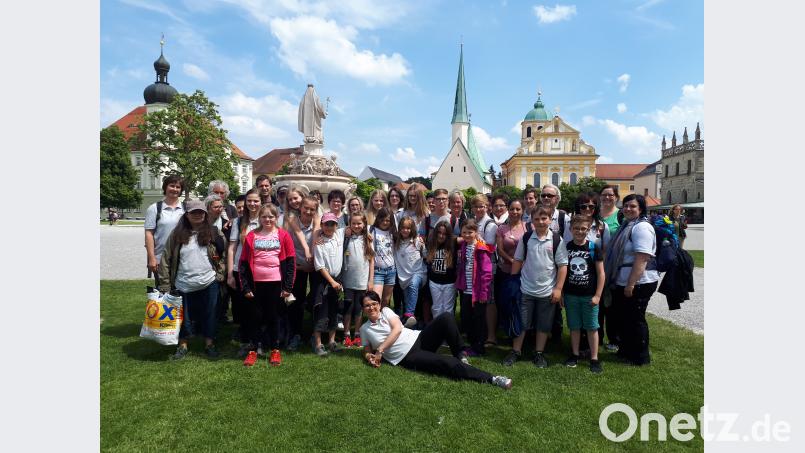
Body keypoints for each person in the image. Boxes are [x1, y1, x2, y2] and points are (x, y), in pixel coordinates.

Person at [359, 291, 513, 389]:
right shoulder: (364, 329)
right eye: (367, 306)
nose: (371, 308)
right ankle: (493, 379)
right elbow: (366, 350)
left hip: (418, 338)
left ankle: (460, 354)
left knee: (446, 317)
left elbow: (397, 329)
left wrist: (380, 350)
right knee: (447, 363)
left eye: (374, 304)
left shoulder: (386, 311)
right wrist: (369, 357)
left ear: (379, 304)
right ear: (363, 309)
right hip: (407, 356)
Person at [157, 200, 226, 360]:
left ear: (205, 214)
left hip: (209, 282)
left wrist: (220, 274)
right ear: (186, 215)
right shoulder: (176, 234)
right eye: (193, 212)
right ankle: (183, 345)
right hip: (183, 283)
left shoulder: (214, 232)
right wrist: (165, 284)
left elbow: (222, 254)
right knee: (183, 317)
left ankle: (209, 344)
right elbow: (166, 259)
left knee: (210, 315)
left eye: (200, 212)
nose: (197, 215)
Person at [502, 206, 568, 368]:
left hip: (547, 291)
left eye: (544, 218)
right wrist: (513, 283)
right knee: (522, 322)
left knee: (543, 324)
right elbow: (517, 260)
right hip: (525, 289)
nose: (540, 221)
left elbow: (562, 266)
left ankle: (539, 353)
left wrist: (558, 289)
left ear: (550, 220)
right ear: (531, 220)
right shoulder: (526, 238)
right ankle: (516, 351)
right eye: (537, 218)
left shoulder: (557, 240)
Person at [604, 194, 660, 366]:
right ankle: (626, 351)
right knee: (625, 318)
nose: (628, 209)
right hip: (623, 280)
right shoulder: (627, 226)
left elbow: (642, 258)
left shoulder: (641, 228)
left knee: (636, 319)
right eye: (626, 206)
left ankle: (640, 357)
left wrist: (631, 284)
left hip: (639, 281)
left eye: (633, 206)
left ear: (641, 209)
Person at [238, 203, 296, 366]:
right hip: (255, 284)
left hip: (276, 283)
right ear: (259, 218)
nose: (267, 219)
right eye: (264, 216)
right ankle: (253, 350)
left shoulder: (283, 235)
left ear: (276, 217)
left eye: (271, 216)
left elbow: (291, 262)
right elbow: (243, 263)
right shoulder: (251, 236)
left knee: (273, 317)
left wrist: (287, 287)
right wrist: (246, 287)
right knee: (254, 317)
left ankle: (275, 350)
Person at [561, 215, 605, 374]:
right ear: (571, 229)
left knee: (592, 327)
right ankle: (574, 354)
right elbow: (562, 272)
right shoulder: (565, 247)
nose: (580, 231)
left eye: (583, 229)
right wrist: (562, 293)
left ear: (588, 230)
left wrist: (598, 295)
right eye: (576, 228)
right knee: (574, 327)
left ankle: (594, 358)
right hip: (571, 295)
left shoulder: (594, 248)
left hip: (589, 296)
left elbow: (601, 274)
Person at [455, 219, 496, 356]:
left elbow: (486, 272)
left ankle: (479, 347)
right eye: (464, 232)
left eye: (470, 232)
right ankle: (472, 344)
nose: (467, 235)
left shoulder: (481, 248)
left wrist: (484, 293)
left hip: (478, 293)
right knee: (467, 318)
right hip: (466, 290)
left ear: (476, 233)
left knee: (479, 320)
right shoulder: (464, 246)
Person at [228, 189, 262, 353]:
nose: (252, 204)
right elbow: (232, 248)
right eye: (249, 201)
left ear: (261, 202)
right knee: (245, 308)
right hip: (241, 270)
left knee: (260, 307)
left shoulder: (266, 219)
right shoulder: (238, 221)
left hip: (261, 270)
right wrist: (230, 273)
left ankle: (260, 340)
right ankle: (248, 340)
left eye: (256, 201)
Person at [285, 195, 320, 351]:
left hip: (314, 265)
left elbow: (315, 237)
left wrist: (311, 259)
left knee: (316, 299)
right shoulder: (293, 219)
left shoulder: (317, 219)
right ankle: (295, 334)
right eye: (306, 208)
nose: (309, 211)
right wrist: (305, 256)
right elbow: (298, 237)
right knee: (296, 301)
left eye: (312, 209)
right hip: (298, 265)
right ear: (300, 207)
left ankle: (315, 334)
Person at [312, 212, 346, 356]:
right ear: (322, 225)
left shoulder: (339, 235)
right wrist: (331, 282)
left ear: (336, 226)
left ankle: (331, 341)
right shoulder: (319, 243)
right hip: (324, 281)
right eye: (326, 224)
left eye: (332, 224)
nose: (329, 227)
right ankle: (318, 343)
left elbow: (358, 226)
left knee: (334, 309)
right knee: (321, 310)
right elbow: (319, 266)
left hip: (337, 280)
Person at [340, 212, 375, 348]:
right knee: (348, 308)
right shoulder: (346, 237)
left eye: (359, 223)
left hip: (362, 280)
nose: (356, 226)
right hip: (347, 279)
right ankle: (346, 334)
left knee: (359, 309)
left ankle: (357, 334)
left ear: (364, 224)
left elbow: (371, 261)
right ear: (349, 224)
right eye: (353, 223)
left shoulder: (368, 239)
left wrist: (370, 280)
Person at [468, 194, 499, 348]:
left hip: (487, 266)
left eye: (482, 206)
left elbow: (491, 247)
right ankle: (479, 331)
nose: (479, 209)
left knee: (489, 300)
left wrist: (478, 240)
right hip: (474, 265)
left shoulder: (490, 224)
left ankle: (491, 336)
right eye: (476, 206)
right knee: (479, 299)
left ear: (487, 207)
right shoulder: (474, 222)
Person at [145, 175, 186, 288]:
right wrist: (152, 258)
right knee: (164, 292)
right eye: (171, 186)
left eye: (178, 187)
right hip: (161, 258)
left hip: (182, 258)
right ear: (165, 187)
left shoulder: (185, 208)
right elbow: (149, 234)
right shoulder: (154, 208)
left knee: (182, 291)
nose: (175, 189)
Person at [495, 199, 526, 339]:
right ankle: (507, 328)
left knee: (519, 303)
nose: (515, 212)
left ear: (522, 211)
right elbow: (500, 250)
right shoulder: (502, 228)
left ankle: (519, 329)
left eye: (518, 209)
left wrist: (520, 264)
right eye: (512, 209)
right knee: (504, 302)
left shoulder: (527, 227)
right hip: (505, 271)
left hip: (522, 273)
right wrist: (512, 261)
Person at [395, 216, 428, 328]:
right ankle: (411, 326)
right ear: (399, 229)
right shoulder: (396, 243)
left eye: (408, 228)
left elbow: (426, 256)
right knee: (407, 299)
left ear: (412, 229)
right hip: (403, 276)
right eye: (403, 228)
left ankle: (409, 314)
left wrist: (423, 246)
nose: (405, 230)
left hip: (418, 273)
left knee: (414, 285)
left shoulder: (417, 241)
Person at [425, 221, 458, 318]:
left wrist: (478, 236)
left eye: (444, 234)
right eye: (439, 233)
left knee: (448, 308)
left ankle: (447, 329)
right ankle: (437, 328)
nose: (441, 236)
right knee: (436, 307)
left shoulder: (453, 243)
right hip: (434, 282)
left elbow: (467, 237)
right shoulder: (431, 243)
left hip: (449, 282)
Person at [370, 207, 398, 308]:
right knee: (377, 299)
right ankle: (375, 320)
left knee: (386, 300)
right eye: (383, 220)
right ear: (378, 219)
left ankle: (383, 320)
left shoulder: (393, 232)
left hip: (391, 271)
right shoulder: (372, 230)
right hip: (378, 271)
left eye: (388, 220)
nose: (385, 222)